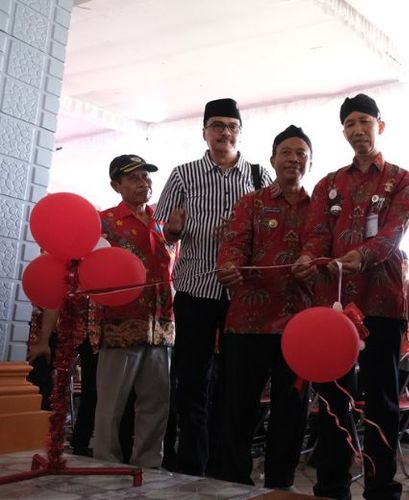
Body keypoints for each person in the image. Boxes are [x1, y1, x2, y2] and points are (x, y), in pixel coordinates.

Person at [293, 93, 409, 500]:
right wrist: (310, 258)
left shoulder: (402, 179)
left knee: (381, 400)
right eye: (350, 124)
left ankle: (382, 488)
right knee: (331, 399)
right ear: (343, 131)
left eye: (365, 121)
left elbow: (393, 233)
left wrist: (360, 256)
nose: (358, 130)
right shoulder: (328, 184)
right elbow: (315, 233)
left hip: (381, 303)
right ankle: (331, 486)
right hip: (333, 305)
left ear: (380, 126)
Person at [154, 98, 273, 475]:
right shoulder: (183, 175)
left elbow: (271, 233)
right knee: (192, 381)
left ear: (240, 131)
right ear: (204, 131)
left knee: (238, 382)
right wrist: (171, 231)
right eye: (217, 125)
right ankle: (192, 463)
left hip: (242, 295)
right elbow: (160, 235)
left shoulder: (258, 177)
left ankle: (228, 465)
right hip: (195, 291)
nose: (224, 132)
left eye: (231, 126)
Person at [214, 125, 314, 488]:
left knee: (291, 411)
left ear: (310, 161)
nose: (293, 158)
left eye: (300, 152)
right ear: (272, 160)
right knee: (238, 408)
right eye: (285, 152)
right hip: (248, 323)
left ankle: (280, 485)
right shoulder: (251, 203)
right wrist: (229, 267)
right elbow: (234, 244)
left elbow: (323, 250)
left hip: (300, 327)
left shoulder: (319, 207)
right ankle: (233, 484)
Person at [92, 154, 175, 467]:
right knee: (111, 404)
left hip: (162, 325)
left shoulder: (162, 223)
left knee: (156, 402)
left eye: (146, 176)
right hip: (119, 325)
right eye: (134, 178)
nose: (144, 183)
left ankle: (149, 464)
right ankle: (105, 463)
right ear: (117, 185)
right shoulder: (104, 221)